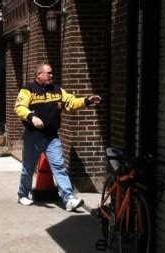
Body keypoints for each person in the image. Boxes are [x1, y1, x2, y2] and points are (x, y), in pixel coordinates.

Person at [14, 63, 101, 211]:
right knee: (28, 168)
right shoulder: (28, 89)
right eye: (48, 73)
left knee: (59, 167)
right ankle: (22, 194)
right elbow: (19, 107)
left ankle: (68, 199)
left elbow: (71, 102)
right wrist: (31, 116)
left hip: (52, 137)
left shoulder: (57, 90)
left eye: (52, 73)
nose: (51, 76)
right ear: (39, 74)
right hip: (33, 136)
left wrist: (87, 100)